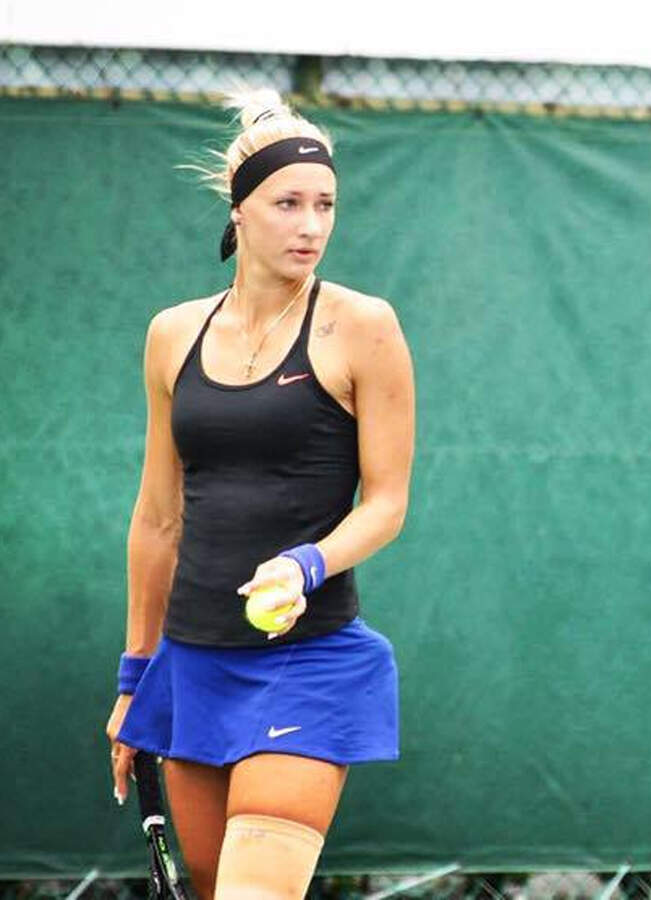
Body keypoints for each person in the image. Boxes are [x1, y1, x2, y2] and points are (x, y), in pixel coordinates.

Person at [104, 88, 415, 900]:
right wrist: (136, 679)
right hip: (191, 664)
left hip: (309, 661)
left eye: (325, 205)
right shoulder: (173, 334)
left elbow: (387, 503)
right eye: (288, 204)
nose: (311, 226)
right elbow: (159, 518)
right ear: (239, 210)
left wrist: (306, 565)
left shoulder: (363, 326)